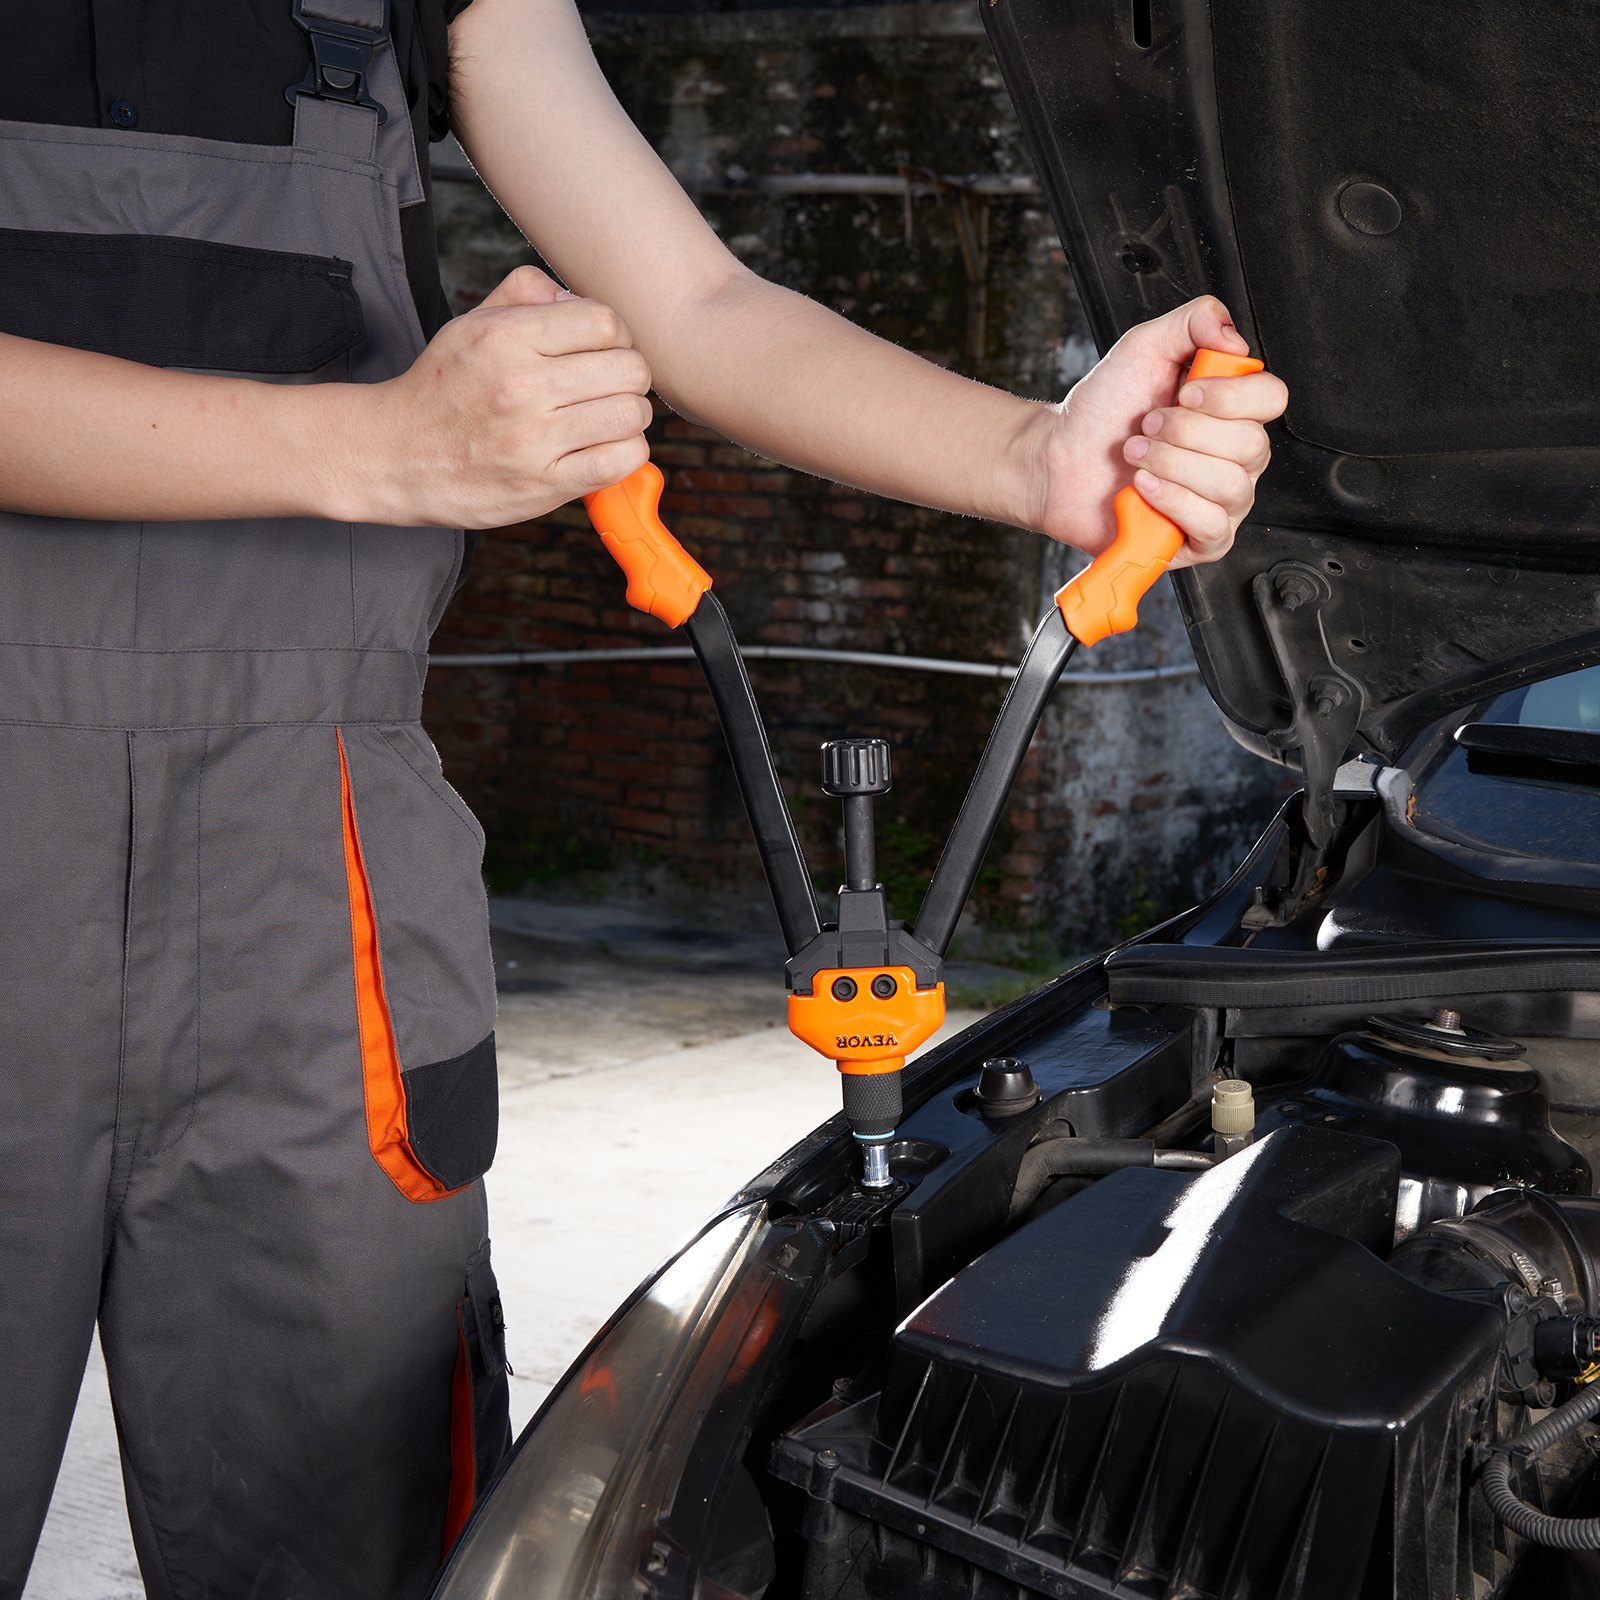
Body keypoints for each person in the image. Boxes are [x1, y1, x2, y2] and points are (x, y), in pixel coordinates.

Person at [0, 1, 1287, 1596]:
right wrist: (372, 447)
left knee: (364, 1533)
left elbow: (692, 299)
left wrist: (1036, 456)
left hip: (318, 881)